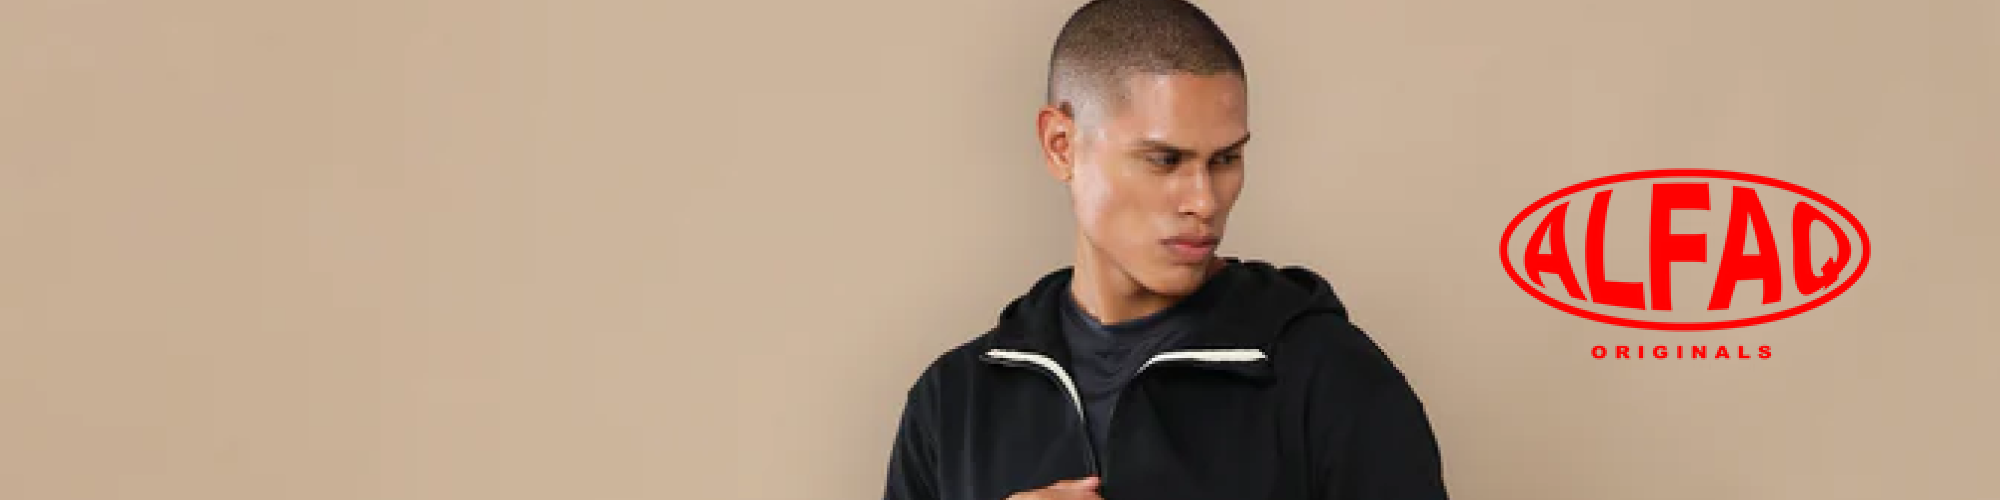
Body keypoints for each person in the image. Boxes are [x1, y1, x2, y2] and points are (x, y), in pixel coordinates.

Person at [882, 1, 1449, 498]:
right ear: (1061, 146)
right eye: (1164, 160)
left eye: (1225, 159)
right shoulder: (951, 403)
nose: (1204, 201)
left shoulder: (1331, 378)